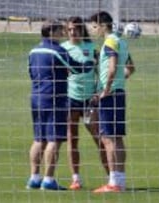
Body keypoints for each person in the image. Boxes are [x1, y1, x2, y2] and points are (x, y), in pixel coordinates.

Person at [26, 19, 94, 191]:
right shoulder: (57, 50)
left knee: (38, 138)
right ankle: (48, 180)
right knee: (54, 139)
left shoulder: (33, 51)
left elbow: (31, 73)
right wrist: (91, 62)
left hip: (36, 96)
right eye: (60, 30)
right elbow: (77, 69)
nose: (64, 33)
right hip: (54, 98)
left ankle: (34, 178)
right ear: (52, 32)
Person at [61, 16, 109, 190]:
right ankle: (76, 179)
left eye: (76, 29)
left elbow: (101, 73)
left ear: (82, 30)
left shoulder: (92, 49)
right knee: (72, 139)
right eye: (70, 29)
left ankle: (111, 177)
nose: (73, 32)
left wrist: (98, 92)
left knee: (100, 139)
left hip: (89, 101)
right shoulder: (63, 49)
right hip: (70, 99)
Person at [89, 11, 135, 193]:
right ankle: (119, 181)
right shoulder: (121, 41)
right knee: (117, 138)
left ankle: (113, 183)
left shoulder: (109, 42)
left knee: (108, 139)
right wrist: (118, 83)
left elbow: (113, 67)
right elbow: (131, 68)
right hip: (119, 93)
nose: (93, 31)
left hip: (109, 95)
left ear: (102, 25)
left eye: (94, 26)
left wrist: (106, 89)